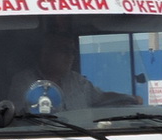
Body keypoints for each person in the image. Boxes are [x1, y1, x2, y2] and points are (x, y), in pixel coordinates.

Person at [8, 31, 140, 113]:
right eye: (64, 50)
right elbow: (19, 116)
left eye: (72, 52)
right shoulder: (24, 81)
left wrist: (129, 98)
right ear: (45, 53)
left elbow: (102, 98)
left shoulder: (77, 81)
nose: (71, 56)